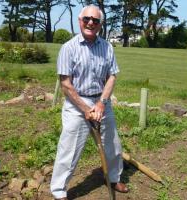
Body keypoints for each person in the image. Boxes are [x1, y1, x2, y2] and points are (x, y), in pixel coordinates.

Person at [50, 5, 128, 200]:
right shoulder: (68, 48)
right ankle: (59, 191)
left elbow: (112, 76)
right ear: (80, 21)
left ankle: (113, 177)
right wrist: (85, 108)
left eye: (95, 20)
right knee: (69, 148)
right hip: (77, 102)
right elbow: (66, 84)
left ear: (100, 24)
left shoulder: (107, 47)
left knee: (112, 143)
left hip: (102, 100)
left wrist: (101, 103)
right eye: (87, 19)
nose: (91, 23)